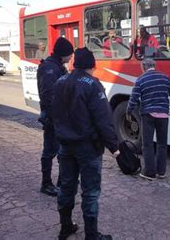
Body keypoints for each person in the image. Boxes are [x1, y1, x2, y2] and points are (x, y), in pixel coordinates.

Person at [52, 47, 120, 240]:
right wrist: (114, 148)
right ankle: (91, 235)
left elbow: (53, 111)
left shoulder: (60, 82)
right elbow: (103, 120)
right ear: (92, 65)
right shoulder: (93, 85)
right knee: (90, 192)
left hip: (65, 145)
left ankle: (65, 227)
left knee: (66, 186)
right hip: (88, 148)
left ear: (75, 64)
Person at [127, 58, 170, 181]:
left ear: (144, 66)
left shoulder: (141, 79)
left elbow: (133, 98)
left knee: (148, 144)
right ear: (154, 66)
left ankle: (149, 172)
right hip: (163, 115)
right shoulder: (165, 78)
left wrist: (128, 112)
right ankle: (161, 172)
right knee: (162, 144)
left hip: (148, 115)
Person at [36, 37, 74, 196]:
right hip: (53, 117)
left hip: (59, 116)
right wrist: (56, 117)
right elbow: (48, 96)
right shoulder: (49, 68)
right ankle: (46, 184)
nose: (71, 57)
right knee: (50, 151)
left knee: (61, 150)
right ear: (63, 54)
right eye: (70, 54)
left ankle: (61, 181)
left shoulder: (58, 66)